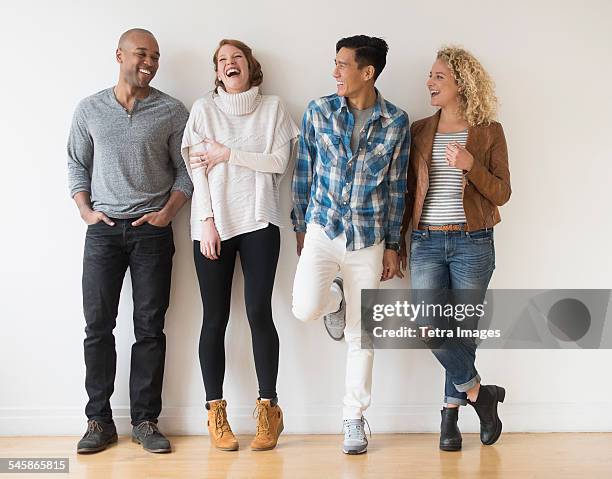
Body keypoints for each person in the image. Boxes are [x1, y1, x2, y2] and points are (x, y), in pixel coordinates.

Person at [68, 29, 192, 454]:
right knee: (98, 328)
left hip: (152, 234)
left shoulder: (172, 111)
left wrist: (166, 214)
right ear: (119, 54)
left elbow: (186, 171)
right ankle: (98, 421)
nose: (150, 62)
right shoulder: (90, 109)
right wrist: (86, 211)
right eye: (143, 53)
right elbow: (75, 164)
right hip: (102, 232)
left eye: (156, 56)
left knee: (149, 329)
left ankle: (145, 421)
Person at [291, 35, 409, 455]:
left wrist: (394, 245)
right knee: (304, 307)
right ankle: (333, 302)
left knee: (364, 335)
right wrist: (300, 228)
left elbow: (398, 188)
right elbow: (303, 170)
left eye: (342, 65)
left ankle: (354, 419)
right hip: (323, 229)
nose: (335, 71)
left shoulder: (396, 122)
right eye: (335, 63)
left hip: (368, 239)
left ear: (367, 72)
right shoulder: (319, 111)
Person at [181, 39, 299, 452]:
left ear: (251, 67)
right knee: (214, 319)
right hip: (213, 225)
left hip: (260, 221)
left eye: (238, 59)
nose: (230, 64)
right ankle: (216, 412)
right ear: (216, 71)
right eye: (222, 60)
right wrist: (207, 221)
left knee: (258, 312)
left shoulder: (274, 109)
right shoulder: (203, 111)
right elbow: (198, 173)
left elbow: (278, 164)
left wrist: (227, 153)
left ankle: (269, 409)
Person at [398, 46, 511, 451]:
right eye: (430, 75)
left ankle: (450, 415)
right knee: (430, 329)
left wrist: (470, 165)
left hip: (473, 242)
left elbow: (502, 192)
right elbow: (407, 192)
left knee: (461, 332)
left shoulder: (489, 131)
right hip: (427, 240)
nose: (429, 82)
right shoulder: (420, 130)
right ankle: (482, 396)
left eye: (439, 76)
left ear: (462, 83)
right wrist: (398, 244)